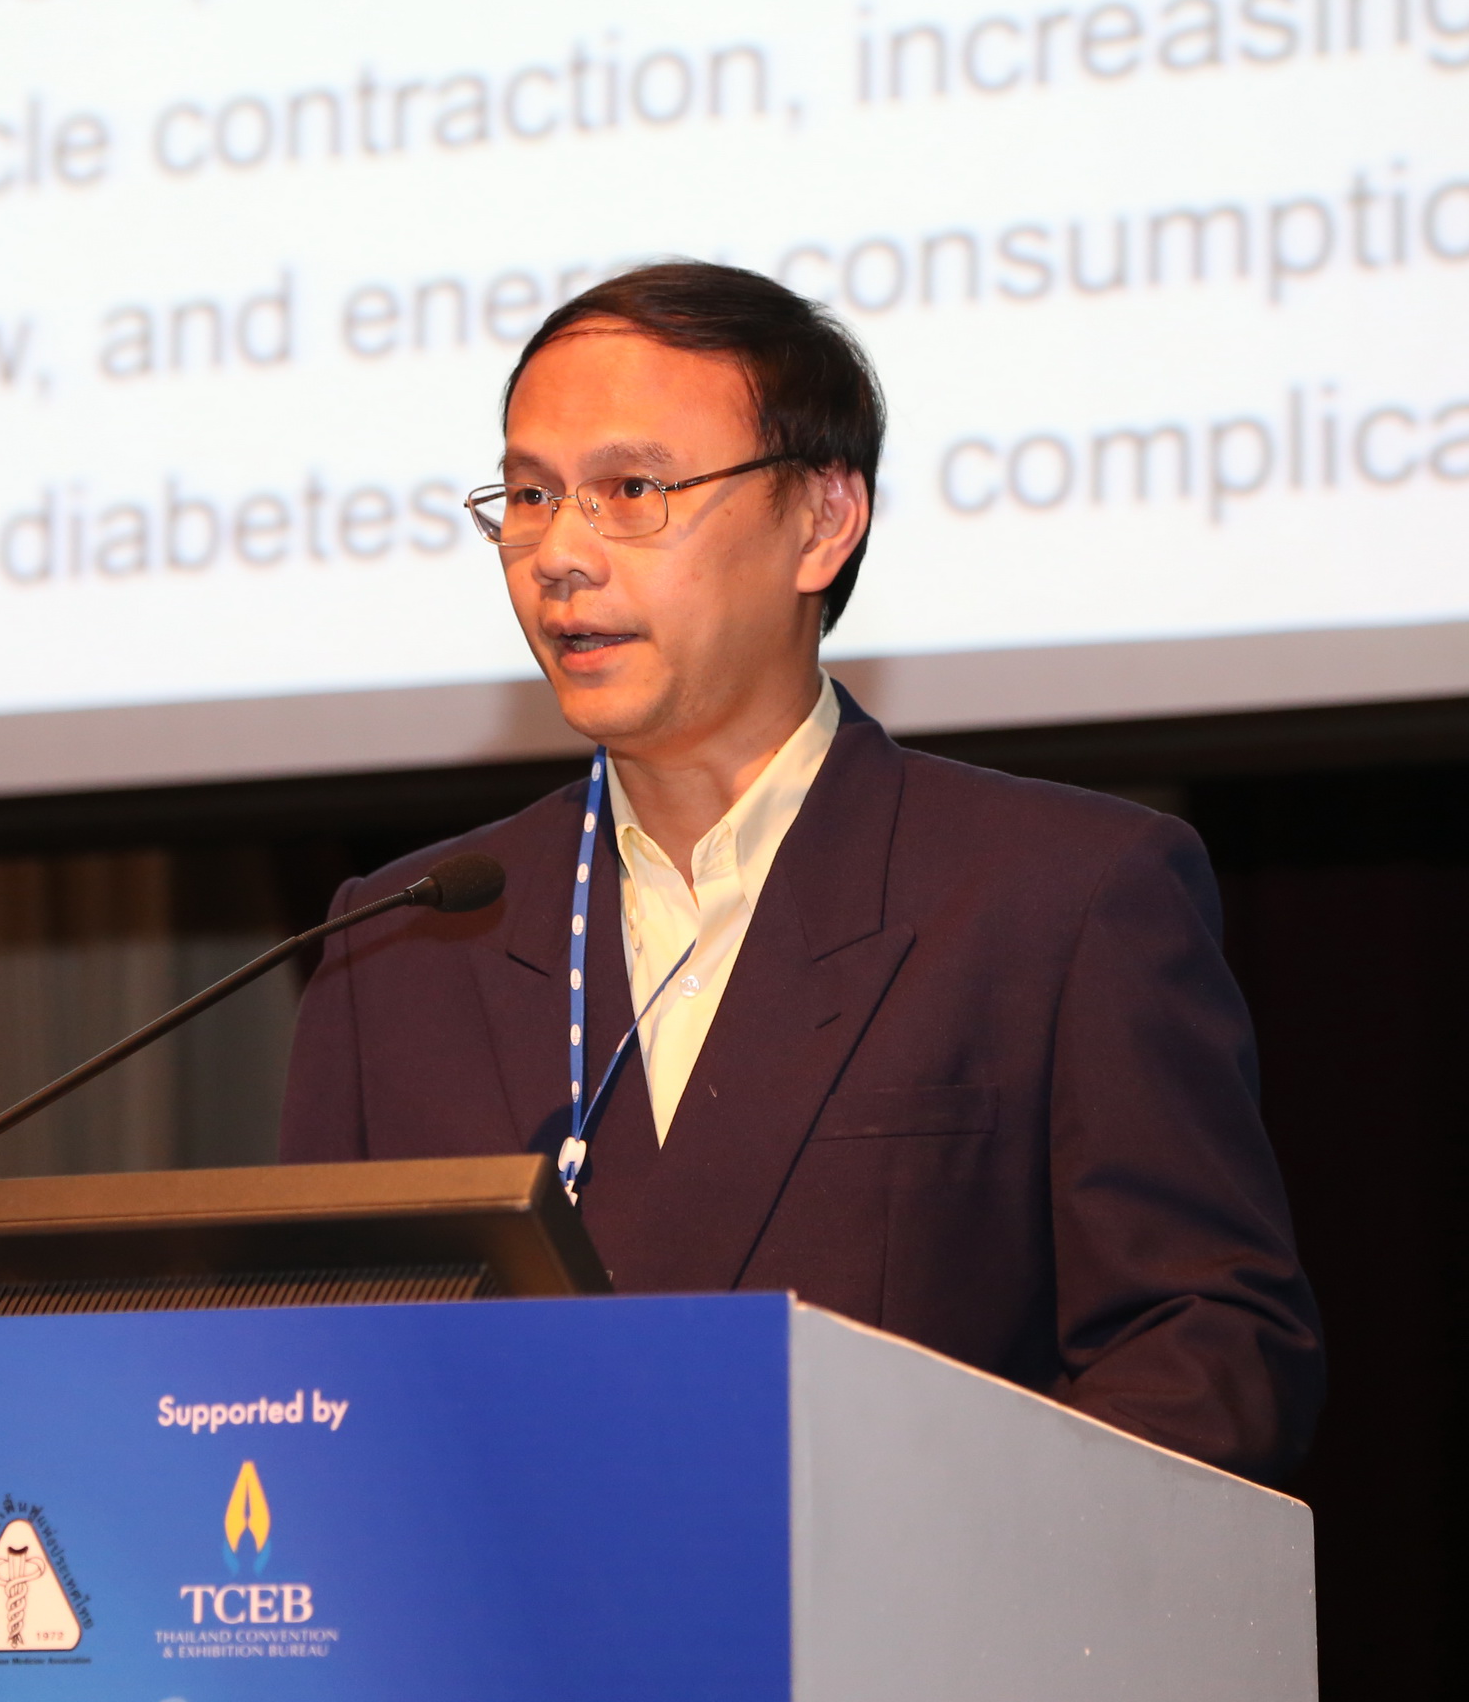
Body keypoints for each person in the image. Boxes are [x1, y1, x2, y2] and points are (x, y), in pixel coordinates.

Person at [280, 261, 1323, 1484]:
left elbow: (1207, 1356)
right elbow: (312, 1382)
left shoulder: (1061, 899)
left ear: (823, 522)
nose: (557, 553)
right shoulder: (402, 941)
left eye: (632, 491)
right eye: (529, 495)